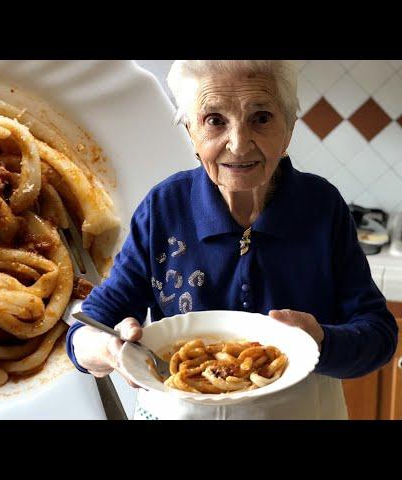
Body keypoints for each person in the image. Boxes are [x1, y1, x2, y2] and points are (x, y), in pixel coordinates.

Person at [65, 60, 399, 420]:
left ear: (288, 129)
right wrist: (107, 349)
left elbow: (379, 334)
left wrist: (321, 341)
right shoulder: (165, 207)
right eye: (215, 120)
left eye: (262, 118)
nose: (239, 145)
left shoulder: (321, 206)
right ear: (190, 130)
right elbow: (89, 324)